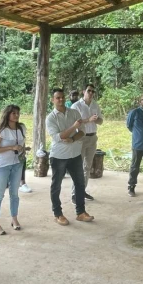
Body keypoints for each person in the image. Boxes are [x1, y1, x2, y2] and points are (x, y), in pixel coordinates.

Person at [45, 89, 94, 225]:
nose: (60, 100)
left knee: (79, 184)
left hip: (75, 154)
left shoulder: (74, 113)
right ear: (52, 100)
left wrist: (72, 139)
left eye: (62, 97)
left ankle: (81, 212)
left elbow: (82, 132)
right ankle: (58, 214)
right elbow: (59, 137)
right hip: (58, 156)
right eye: (57, 98)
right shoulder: (50, 118)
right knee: (56, 186)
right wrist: (73, 127)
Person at [0, 104, 27, 235]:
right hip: (2, 165)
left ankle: (14, 219)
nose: (16, 115)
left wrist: (22, 149)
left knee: (14, 194)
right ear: (7, 115)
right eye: (13, 113)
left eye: (18, 113)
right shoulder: (2, 130)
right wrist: (11, 148)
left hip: (17, 163)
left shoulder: (21, 128)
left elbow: (22, 143)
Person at [72, 84, 102, 202]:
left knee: (87, 167)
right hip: (81, 138)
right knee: (78, 167)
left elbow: (101, 121)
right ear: (83, 91)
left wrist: (97, 119)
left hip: (93, 138)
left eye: (93, 91)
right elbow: (75, 122)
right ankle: (74, 194)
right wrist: (88, 120)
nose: (91, 93)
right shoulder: (76, 106)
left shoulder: (95, 105)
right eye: (89, 91)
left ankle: (82, 191)